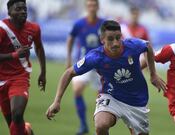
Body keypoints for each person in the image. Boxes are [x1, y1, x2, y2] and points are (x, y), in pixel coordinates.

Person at [46, 20, 166, 135]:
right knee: (101, 124)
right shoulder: (95, 57)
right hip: (111, 96)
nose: (115, 43)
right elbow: (69, 73)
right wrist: (57, 101)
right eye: (110, 39)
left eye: (118, 38)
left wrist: (153, 74)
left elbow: (148, 46)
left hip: (137, 101)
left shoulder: (132, 46)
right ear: (102, 39)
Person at [0, 0, 46, 135]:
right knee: (13, 126)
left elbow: (39, 47)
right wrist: (15, 55)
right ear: (9, 12)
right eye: (18, 9)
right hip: (1, 80)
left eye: (24, 9)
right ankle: (27, 130)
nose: (23, 11)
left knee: (17, 114)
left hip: (20, 77)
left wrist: (43, 72)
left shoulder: (34, 28)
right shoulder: (2, 29)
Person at [65, 0, 104, 134]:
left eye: (94, 5)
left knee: (101, 97)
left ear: (98, 7)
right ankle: (83, 125)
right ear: (86, 7)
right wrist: (69, 58)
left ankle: (99, 127)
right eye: (89, 5)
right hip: (83, 63)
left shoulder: (103, 24)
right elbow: (70, 39)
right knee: (77, 90)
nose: (92, 8)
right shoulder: (79, 24)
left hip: (100, 65)